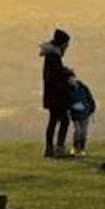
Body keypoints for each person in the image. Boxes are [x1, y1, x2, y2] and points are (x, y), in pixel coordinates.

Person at [39, 28, 72, 158]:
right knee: (64, 121)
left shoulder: (51, 56)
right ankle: (59, 148)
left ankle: (50, 148)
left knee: (53, 121)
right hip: (57, 96)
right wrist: (66, 78)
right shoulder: (54, 57)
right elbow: (54, 77)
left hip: (52, 95)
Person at [68, 72, 97, 156]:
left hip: (85, 113)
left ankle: (82, 148)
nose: (71, 81)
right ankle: (75, 147)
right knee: (78, 131)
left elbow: (90, 99)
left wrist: (92, 110)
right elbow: (68, 102)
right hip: (75, 114)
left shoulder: (83, 88)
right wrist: (72, 106)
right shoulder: (68, 90)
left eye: (72, 79)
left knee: (83, 132)